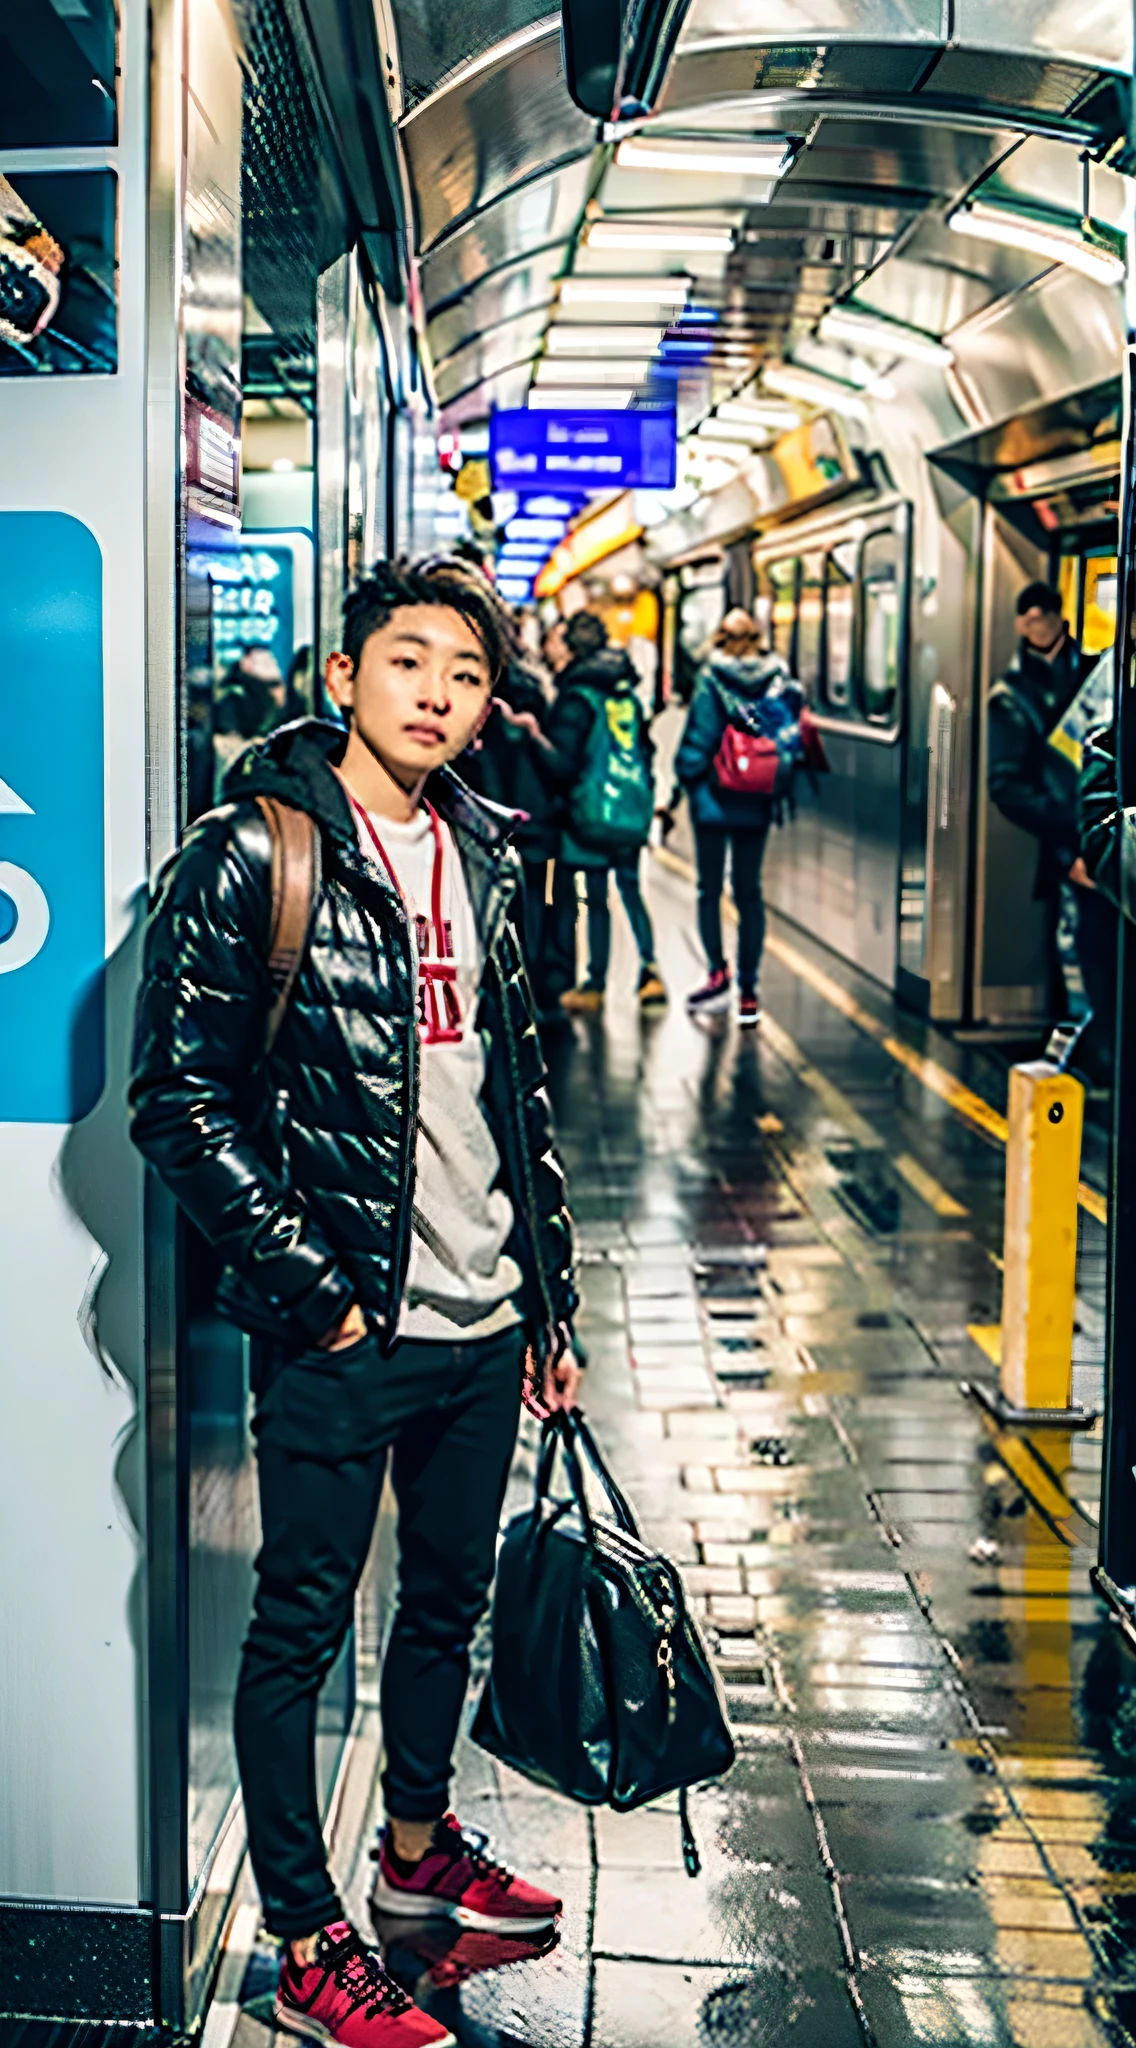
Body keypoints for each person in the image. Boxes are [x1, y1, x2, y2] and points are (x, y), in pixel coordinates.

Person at [130, 558, 581, 2048]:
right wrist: (317, 1301)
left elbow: (521, 1094)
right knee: (301, 1628)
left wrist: (551, 1305)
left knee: (443, 1603)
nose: (437, 694)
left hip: (485, 1319)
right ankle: (310, 1938)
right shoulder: (251, 856)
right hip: (345, 1333)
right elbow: (177, 1104)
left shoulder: (493, 852)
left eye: (463, 671)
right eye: (407, 663)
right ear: (343, 680)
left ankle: (413, 1848)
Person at [988, 581, 1115, 1080]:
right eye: (1030, 616)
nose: (1039, 624)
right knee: (1079, 957)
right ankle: (1087, 1057)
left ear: (1062, 617)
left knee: (1102, 953)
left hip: (1103, 842)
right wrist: (1073, 835)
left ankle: (1103, 1053)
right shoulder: (1012, 695)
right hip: (1069, 849)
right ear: (1021, 624)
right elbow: (1008, 785)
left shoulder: (1096, 675)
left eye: (1047, 614)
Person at [668, 607, 790, 1025]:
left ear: (721, 639)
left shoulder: (710, 678)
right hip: (756, 798)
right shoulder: (778, 679)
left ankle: (717, 975)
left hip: (713, 799)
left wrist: (680, 784)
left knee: (709, 889)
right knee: (749, 892)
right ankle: (750, 991)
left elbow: (699, 739)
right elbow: (785, 734)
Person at [543, 610, 666, 1013]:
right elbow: (645, 750)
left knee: (596, 897)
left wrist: (532, 737)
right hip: (629, 808)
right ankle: (651, 972)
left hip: (591, 813)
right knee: (631, 890)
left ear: (574, 648)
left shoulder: (577, 697)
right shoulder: (625, 693)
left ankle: (595, 984)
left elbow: (563, 763)